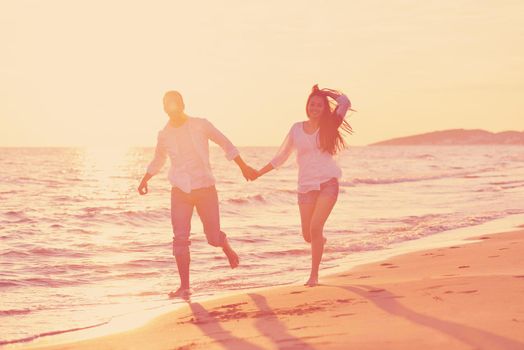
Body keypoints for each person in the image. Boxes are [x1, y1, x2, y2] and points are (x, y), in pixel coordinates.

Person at [138, 90, 258, 298]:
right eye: (168, 104)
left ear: (183, 104)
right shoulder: (164, 135)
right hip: (180, 191)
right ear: (164, 109)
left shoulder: (200, 124)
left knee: (212, 238)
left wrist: (242, 166)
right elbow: (159, 159)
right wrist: (145, 178)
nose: (172, 107)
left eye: (175, 102)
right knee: (180, 238)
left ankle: (224, 244)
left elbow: (224, 142)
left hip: (205, 188)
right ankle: (185, 287)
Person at [255, 84, 353, 287]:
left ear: (324, 108)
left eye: (319, 105)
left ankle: (314, 275)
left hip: (328, 183)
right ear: (307, 107)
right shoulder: (296, 129)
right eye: (312, 104)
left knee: (316, 228)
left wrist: (325, 93)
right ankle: (320, 242)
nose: (315, 108)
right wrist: (258, 173)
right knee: (308, 235)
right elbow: (281, 157)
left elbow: (345, 102)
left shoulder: (330, 125)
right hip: (305, 187)